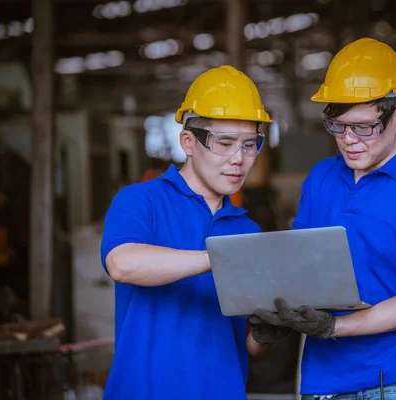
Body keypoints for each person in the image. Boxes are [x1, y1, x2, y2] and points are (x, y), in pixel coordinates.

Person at [252, 38, 396, 400]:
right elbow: (301, 270)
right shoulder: (322, 178)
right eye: (337, 126)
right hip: (321, 384)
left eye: (364, 127)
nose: (348, 140)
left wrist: (335, 325)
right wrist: (278, 316)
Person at [100, 65, 278, 399]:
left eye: (250, 144)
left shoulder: (247, 229)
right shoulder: (141, 201)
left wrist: (270, 331)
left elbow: (249, 346)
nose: (239, 159)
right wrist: (220, 257)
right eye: (224, 143)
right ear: (188, 142)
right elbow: (122, 264)